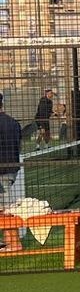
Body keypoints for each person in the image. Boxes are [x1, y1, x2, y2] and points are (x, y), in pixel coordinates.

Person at [0, 93, 23, 253]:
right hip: (11, 169)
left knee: (5, 209)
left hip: (2, 171)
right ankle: (9, 241)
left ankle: (14, 243)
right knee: (4, 207)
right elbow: (18, 145)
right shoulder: (13, 122)